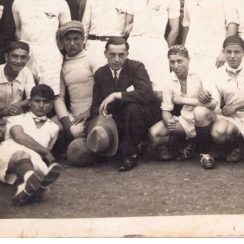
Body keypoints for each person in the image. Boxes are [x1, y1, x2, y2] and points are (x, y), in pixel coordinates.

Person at [195, 36, 244, 170]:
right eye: (228, 52)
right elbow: (215, 102)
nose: (232, 56)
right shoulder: (216, 74)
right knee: (216, 130)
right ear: (223, 52)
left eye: (237, 52)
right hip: (231, 117)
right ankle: (236, 146)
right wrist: (206, 98)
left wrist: (236, 106)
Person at [91, 37, 161, 171]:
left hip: (143, 114)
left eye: (121, 55)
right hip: (117, 117)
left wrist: (116, 95)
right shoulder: (100, 73)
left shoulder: (136, 67)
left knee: (132, 108)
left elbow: (146, 94)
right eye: (112, 55)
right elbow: (96, 103)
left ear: (127, 54)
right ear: (105, 54)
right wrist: (102, 113)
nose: (117, 59)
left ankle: (131, 155)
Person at [0, 84, 63, 206]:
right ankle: (32, 178)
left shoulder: (54, 128)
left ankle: (24, 189)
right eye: (37, 101)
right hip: (10, 153)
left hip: (34, 159)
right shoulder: (17, 118)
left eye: (45, 102)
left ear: (51, 105)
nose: (41, 105)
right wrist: (46, 152)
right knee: (22, 154)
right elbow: (18, 136)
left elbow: (46, 151)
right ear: (29, 102)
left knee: (31, 169)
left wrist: (44, 154)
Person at [12, 0, 71, 95]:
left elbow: (66, 31)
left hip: (50, 52)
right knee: (24, 93)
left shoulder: (60, 2)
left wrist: (55, 49)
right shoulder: (19, 2)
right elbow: (17, 29)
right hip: (25, 52)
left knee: (49, 93)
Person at [127, 0, 180, 100]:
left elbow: (174, 29)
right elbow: (128, 24)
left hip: (157, 45)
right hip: (135, 44)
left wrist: (164, 49)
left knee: (158, 91)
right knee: (132, 88)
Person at [149, 45, 211, 161]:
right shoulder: (168, 80)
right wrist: (169, 121)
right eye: (172, 62)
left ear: (188, 60)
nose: (176, 66)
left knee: (200, 112)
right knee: (154, 133)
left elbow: (213, 104)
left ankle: (200, 146)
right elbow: (166, 110)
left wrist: (182, 100)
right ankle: (186, 143)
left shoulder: (201, 74)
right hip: (187, 119)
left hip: (207, 117)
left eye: (179, 61)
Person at [182, 0, 238, 75]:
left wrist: (224, 51)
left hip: (214, 53)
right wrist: (184, 51)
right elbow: (187, 23)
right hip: (192, 53)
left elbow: (232, 24)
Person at [0, 41, 35, 156]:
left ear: (28, 59)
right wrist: (2, 113)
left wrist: (16, 106)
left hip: (16, 121)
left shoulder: (26, 72)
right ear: (6, 57)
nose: (19, 61)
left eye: (23, 57)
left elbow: (32, 96)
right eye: (15, 56)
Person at [53, 21, 99, 147]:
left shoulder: (92, 58)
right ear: (62, 42)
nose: (72, 43)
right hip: (73, 117)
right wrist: (66, 121)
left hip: (93, 114)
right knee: (46, 129)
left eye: (76, 39)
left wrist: (90, 111)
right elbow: (59, 97)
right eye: (68, 39)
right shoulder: (61, 64)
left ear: (83, 39)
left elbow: (104, 88)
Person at [82, 0, 134, 69]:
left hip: (115, 48)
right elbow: (85, 25)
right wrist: (83, 45)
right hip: (93, 45)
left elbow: (128, 28)